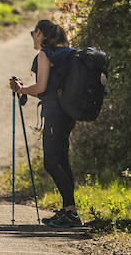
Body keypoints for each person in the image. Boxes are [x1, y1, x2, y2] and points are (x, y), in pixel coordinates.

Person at [8, 19, 82, 227]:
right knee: (62, 160)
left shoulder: (44, 55)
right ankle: (70, 211)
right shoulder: (67, 54)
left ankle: (71, 212)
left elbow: (40, 87)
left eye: (33, 32)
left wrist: (21, 90)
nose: (32, 36)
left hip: (54, 114)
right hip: (67, 113)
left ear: (40, 33)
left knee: (51, 162)